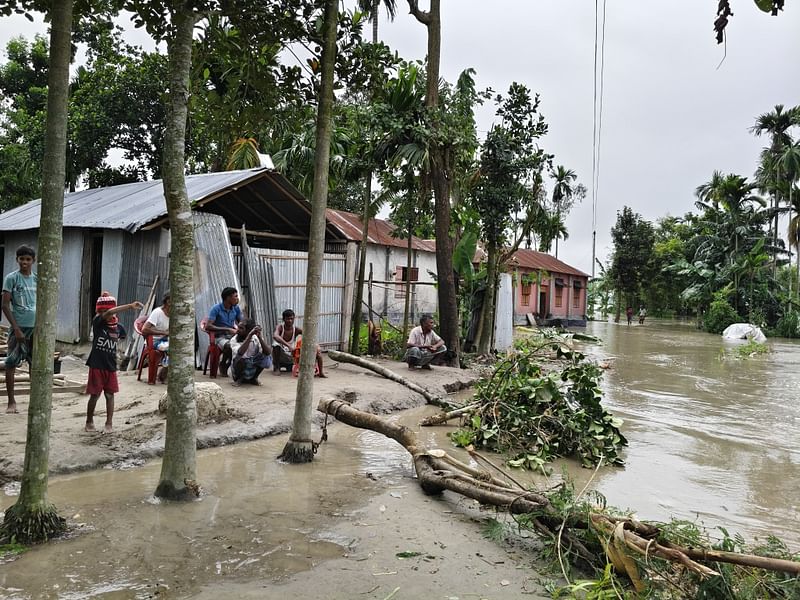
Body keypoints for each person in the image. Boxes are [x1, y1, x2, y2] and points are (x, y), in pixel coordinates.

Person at [85, 293, 143, 433]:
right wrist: (130, 306)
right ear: (99, 312)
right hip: (97, 365)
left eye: (108, 311)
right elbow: (110, 312)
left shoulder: (119, 327)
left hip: (111, 365)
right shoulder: (98, 322)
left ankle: (109, 423)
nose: (107, 314)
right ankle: (89, 421)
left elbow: (121, 337)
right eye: (103, 311)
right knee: (95, 394)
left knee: (110, 395)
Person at [2, 245, 37, 414]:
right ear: (17, 260)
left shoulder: (37, 279)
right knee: (11, 363)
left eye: (28, 259)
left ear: (33, 261)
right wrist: (16, 328)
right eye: (21, 259)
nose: (24, 262)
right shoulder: (12, 278)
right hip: (19, 327)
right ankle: (11, 402)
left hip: (35, 329)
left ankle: (34, 402)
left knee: (34, 364)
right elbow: (5, 305)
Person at [272, 308, 325, 377]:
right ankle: (276, 367)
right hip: (281, 353)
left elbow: (309, 336)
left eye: (292, 319)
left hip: (291, 355)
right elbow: (275, 336)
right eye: (288, 319)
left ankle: (319, 372)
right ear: (283, 319)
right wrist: (288, 345)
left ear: (294, 319)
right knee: (275, 345)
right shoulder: (280, 327)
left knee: (306, 350)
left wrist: (317, 347)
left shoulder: (296, 329)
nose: (290, 321)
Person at [206, 287, 242, 376]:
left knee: (244, 345)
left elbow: (241, 321)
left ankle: (227, 364)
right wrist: (227, 329)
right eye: (235, 296)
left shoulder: (236, 308)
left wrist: (244, 327)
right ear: (228, 298)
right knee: (230, 346)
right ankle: (223, 364)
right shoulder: (216, 308)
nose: (237, 298)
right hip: (219, 337)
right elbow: (208, 325)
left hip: (232, 336)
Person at [230, 318, 272, 386]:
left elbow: (268, 352)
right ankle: (239, 379)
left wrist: (260, 337)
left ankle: (254, 378)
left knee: (266, 357)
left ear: (248, 330)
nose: (237, 330)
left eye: (241, 328)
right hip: (238, 369)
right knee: (240, 358)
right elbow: (240, 353)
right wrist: (249, 336)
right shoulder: (234, 339)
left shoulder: (255, 338)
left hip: (252, 365)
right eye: (238, 327)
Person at [142, 294, 170, 383]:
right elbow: (145, 329)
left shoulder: (172, 314)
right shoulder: (157, 312)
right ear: (168, 301)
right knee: (172, 349)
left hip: (165, 340)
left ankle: (163, 373)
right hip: (154, 341)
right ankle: (162, 375)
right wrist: (163, 332)